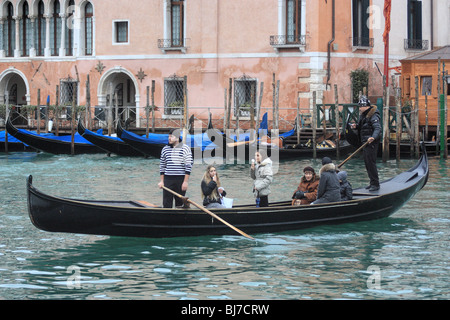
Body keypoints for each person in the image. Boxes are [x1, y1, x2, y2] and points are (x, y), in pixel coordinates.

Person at [352, 96, 381, 191]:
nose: (359, 108)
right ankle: (372, 182)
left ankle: (375, 184)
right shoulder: (363, 115)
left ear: (366, 106)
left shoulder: (373, 115)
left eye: (360, 106)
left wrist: (373, 137)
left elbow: (377, 128)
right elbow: (362, 126)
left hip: (371, 143)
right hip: (365, 142)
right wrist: (356, 126)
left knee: (371, 163)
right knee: (367, 163)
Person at [158, 128, 193, 208]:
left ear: (177, 138)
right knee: (166, 203)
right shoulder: (165, 149)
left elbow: (188, 166)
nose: (169, 138)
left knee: (180, 203)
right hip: (168, 179)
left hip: (180, 179)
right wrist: (162, 181)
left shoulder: (185, 148)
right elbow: (162, 166)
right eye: (168, 136)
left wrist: (185, 182)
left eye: (171, 136)